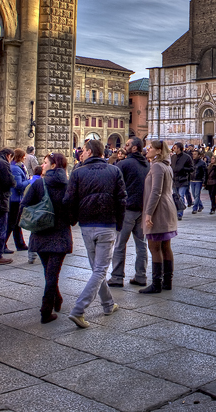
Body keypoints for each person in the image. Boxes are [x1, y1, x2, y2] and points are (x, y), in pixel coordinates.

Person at [64, 139, 127, 328]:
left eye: (83, 150)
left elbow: (69, 200)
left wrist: (74, 218)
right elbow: (122, 199)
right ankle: (78, 310)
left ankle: (108, 304)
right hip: (106, 225)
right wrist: (119, 223)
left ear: (90, 152)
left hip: (86, 225)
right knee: (99, 270)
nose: (81, 153)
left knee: (97, 269)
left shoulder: (78, 172)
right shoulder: (114, 170)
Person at [21, 153, 72, 323]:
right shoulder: (68, 186)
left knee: (49, 272)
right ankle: (56, 298)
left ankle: (46, 309)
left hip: (41, 232)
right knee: (52, 272)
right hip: (60, 235)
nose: (42, 165)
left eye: (45, 163)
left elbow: (24, 205)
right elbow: (72, 214)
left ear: (53, 165)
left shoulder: (38, 184)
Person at [140, 140, 179, 294]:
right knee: (165, 246)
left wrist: (148, 213)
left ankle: (157, 284)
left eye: (150, 148)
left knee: (154, 246)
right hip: (168, 207)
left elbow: (156, 191)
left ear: (158, 151)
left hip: (158, 210)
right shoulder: (166, 165)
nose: (147, 150)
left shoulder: (156, 166)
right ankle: (167, 282)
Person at [109, 137, 149, 288]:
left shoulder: (123, 164)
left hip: (127, 209)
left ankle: (117, 277)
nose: (124, 146)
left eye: (127, 145)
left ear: (134, 148)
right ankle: (141, 275)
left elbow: (116, 186)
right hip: (142, 208)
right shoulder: (146, 164)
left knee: (120, 244)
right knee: (141, 244)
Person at [5, 149, 30, 253]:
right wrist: (30, 181)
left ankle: (20, 243)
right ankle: (2, 243)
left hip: (16, 198)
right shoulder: (15, 168)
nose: (25, 158)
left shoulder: (18, 167)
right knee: (11, 223)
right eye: (24, 156)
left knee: (16, 223)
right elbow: (18, 185)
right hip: (14, 199)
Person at [170, 142, 193, 216]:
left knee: (181, 195)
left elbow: (191, 168)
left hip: (183, 179)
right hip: (174, 180)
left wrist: (183, 169)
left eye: (175, 147)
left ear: (179, 148)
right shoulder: (173, 157)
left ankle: (180, 213)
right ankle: (177, 210)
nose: (173, 149)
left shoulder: (187, 157)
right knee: (175, 196)